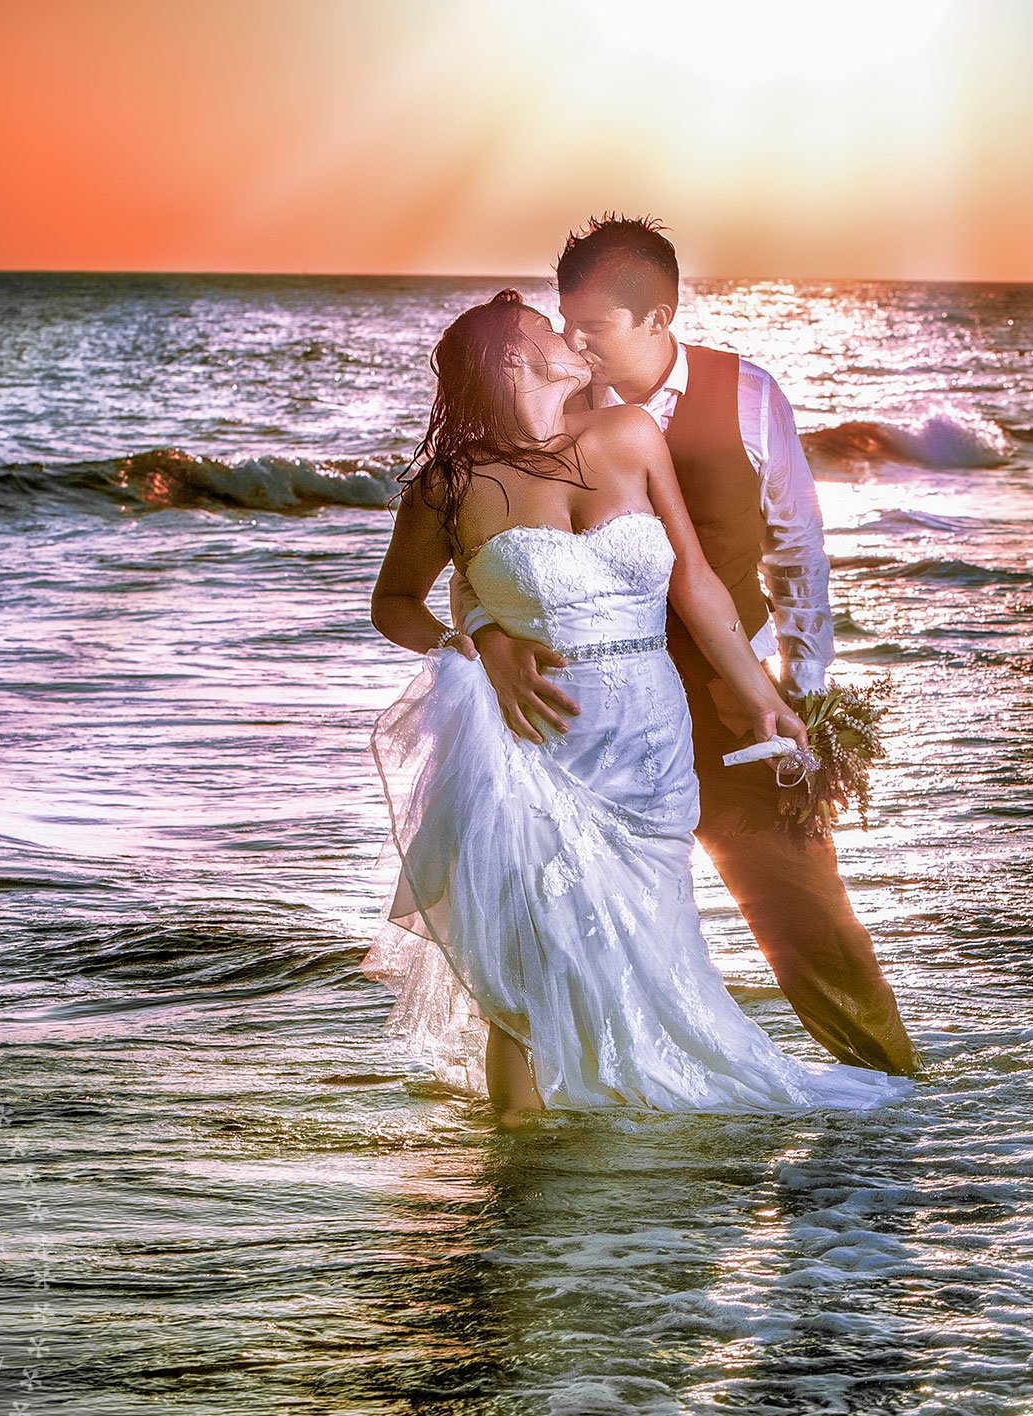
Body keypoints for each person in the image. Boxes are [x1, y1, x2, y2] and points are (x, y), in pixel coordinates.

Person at [365, 289, 907, 1124]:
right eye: (546, 326)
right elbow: (394, 602)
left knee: (653, 935)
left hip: (651, 737)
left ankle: (617, 1137)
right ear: (513, 360)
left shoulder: (630, 435)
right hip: (538, 737)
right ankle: (524, 1152)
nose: (564, 330)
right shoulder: (450, 485)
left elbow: (693, 582)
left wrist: (769, 700)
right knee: (536, 933)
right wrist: (469, 644)